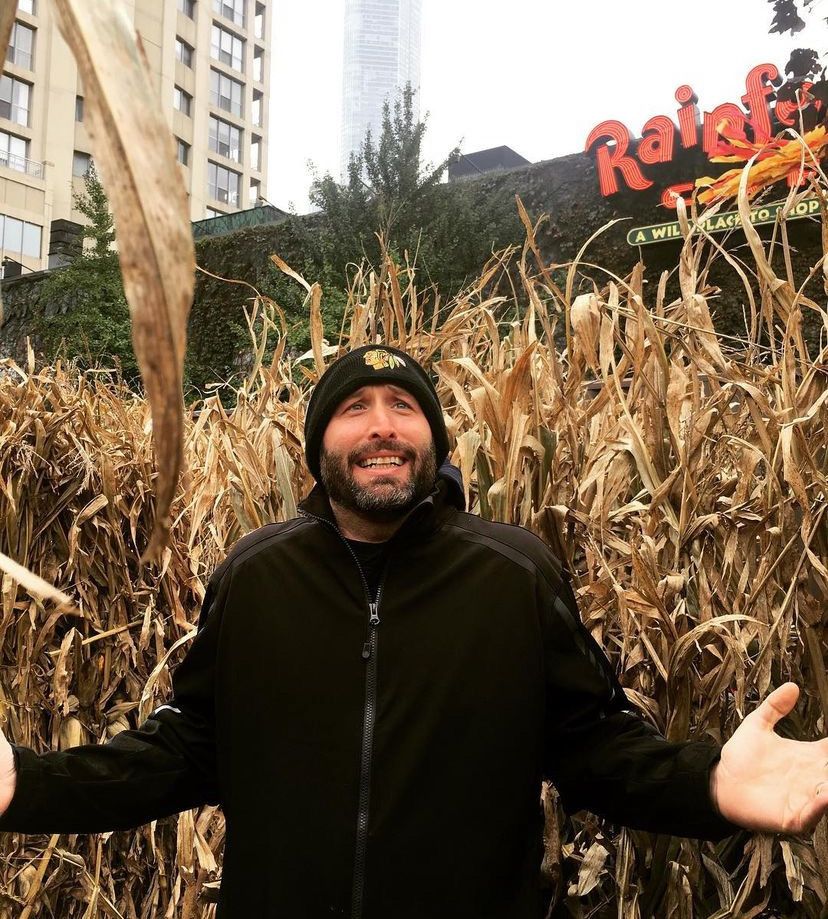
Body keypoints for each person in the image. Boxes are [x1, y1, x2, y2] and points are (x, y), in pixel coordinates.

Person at [0, 344, 826, 919]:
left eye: (404, 406)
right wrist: (24, 786)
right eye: (354, 408)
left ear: (433, 439)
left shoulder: (514, 573)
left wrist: (712, 783)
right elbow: (183, 749)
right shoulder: (255, 576)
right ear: (320, 445)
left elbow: (596, 747)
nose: (382, 425)